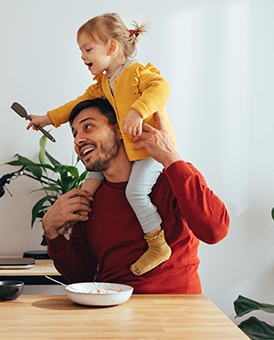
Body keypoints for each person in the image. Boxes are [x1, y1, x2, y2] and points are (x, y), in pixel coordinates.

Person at [27, 13, 177, 276]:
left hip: (147, 152)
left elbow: (161, 88)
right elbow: (76, 105)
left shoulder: (135, 73)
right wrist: (48, 119)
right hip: (128, 152)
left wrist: (138, 111)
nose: (83, 57)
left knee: (136, 193)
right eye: (81, 51)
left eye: (87, 49)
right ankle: (70, 226)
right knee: (88, 189)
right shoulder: (104, 83)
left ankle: (156, 243)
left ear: (111, 47)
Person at [41, 98, 229, 294]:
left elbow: (215, 231)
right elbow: (83, 276)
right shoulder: (88, 198)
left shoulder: (173, 176)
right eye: (74, 134)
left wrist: (170, 156)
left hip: (177, 314)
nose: (78, 140)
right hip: (115, 311)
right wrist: (52, 232)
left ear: (120, 130)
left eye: (88, 127)